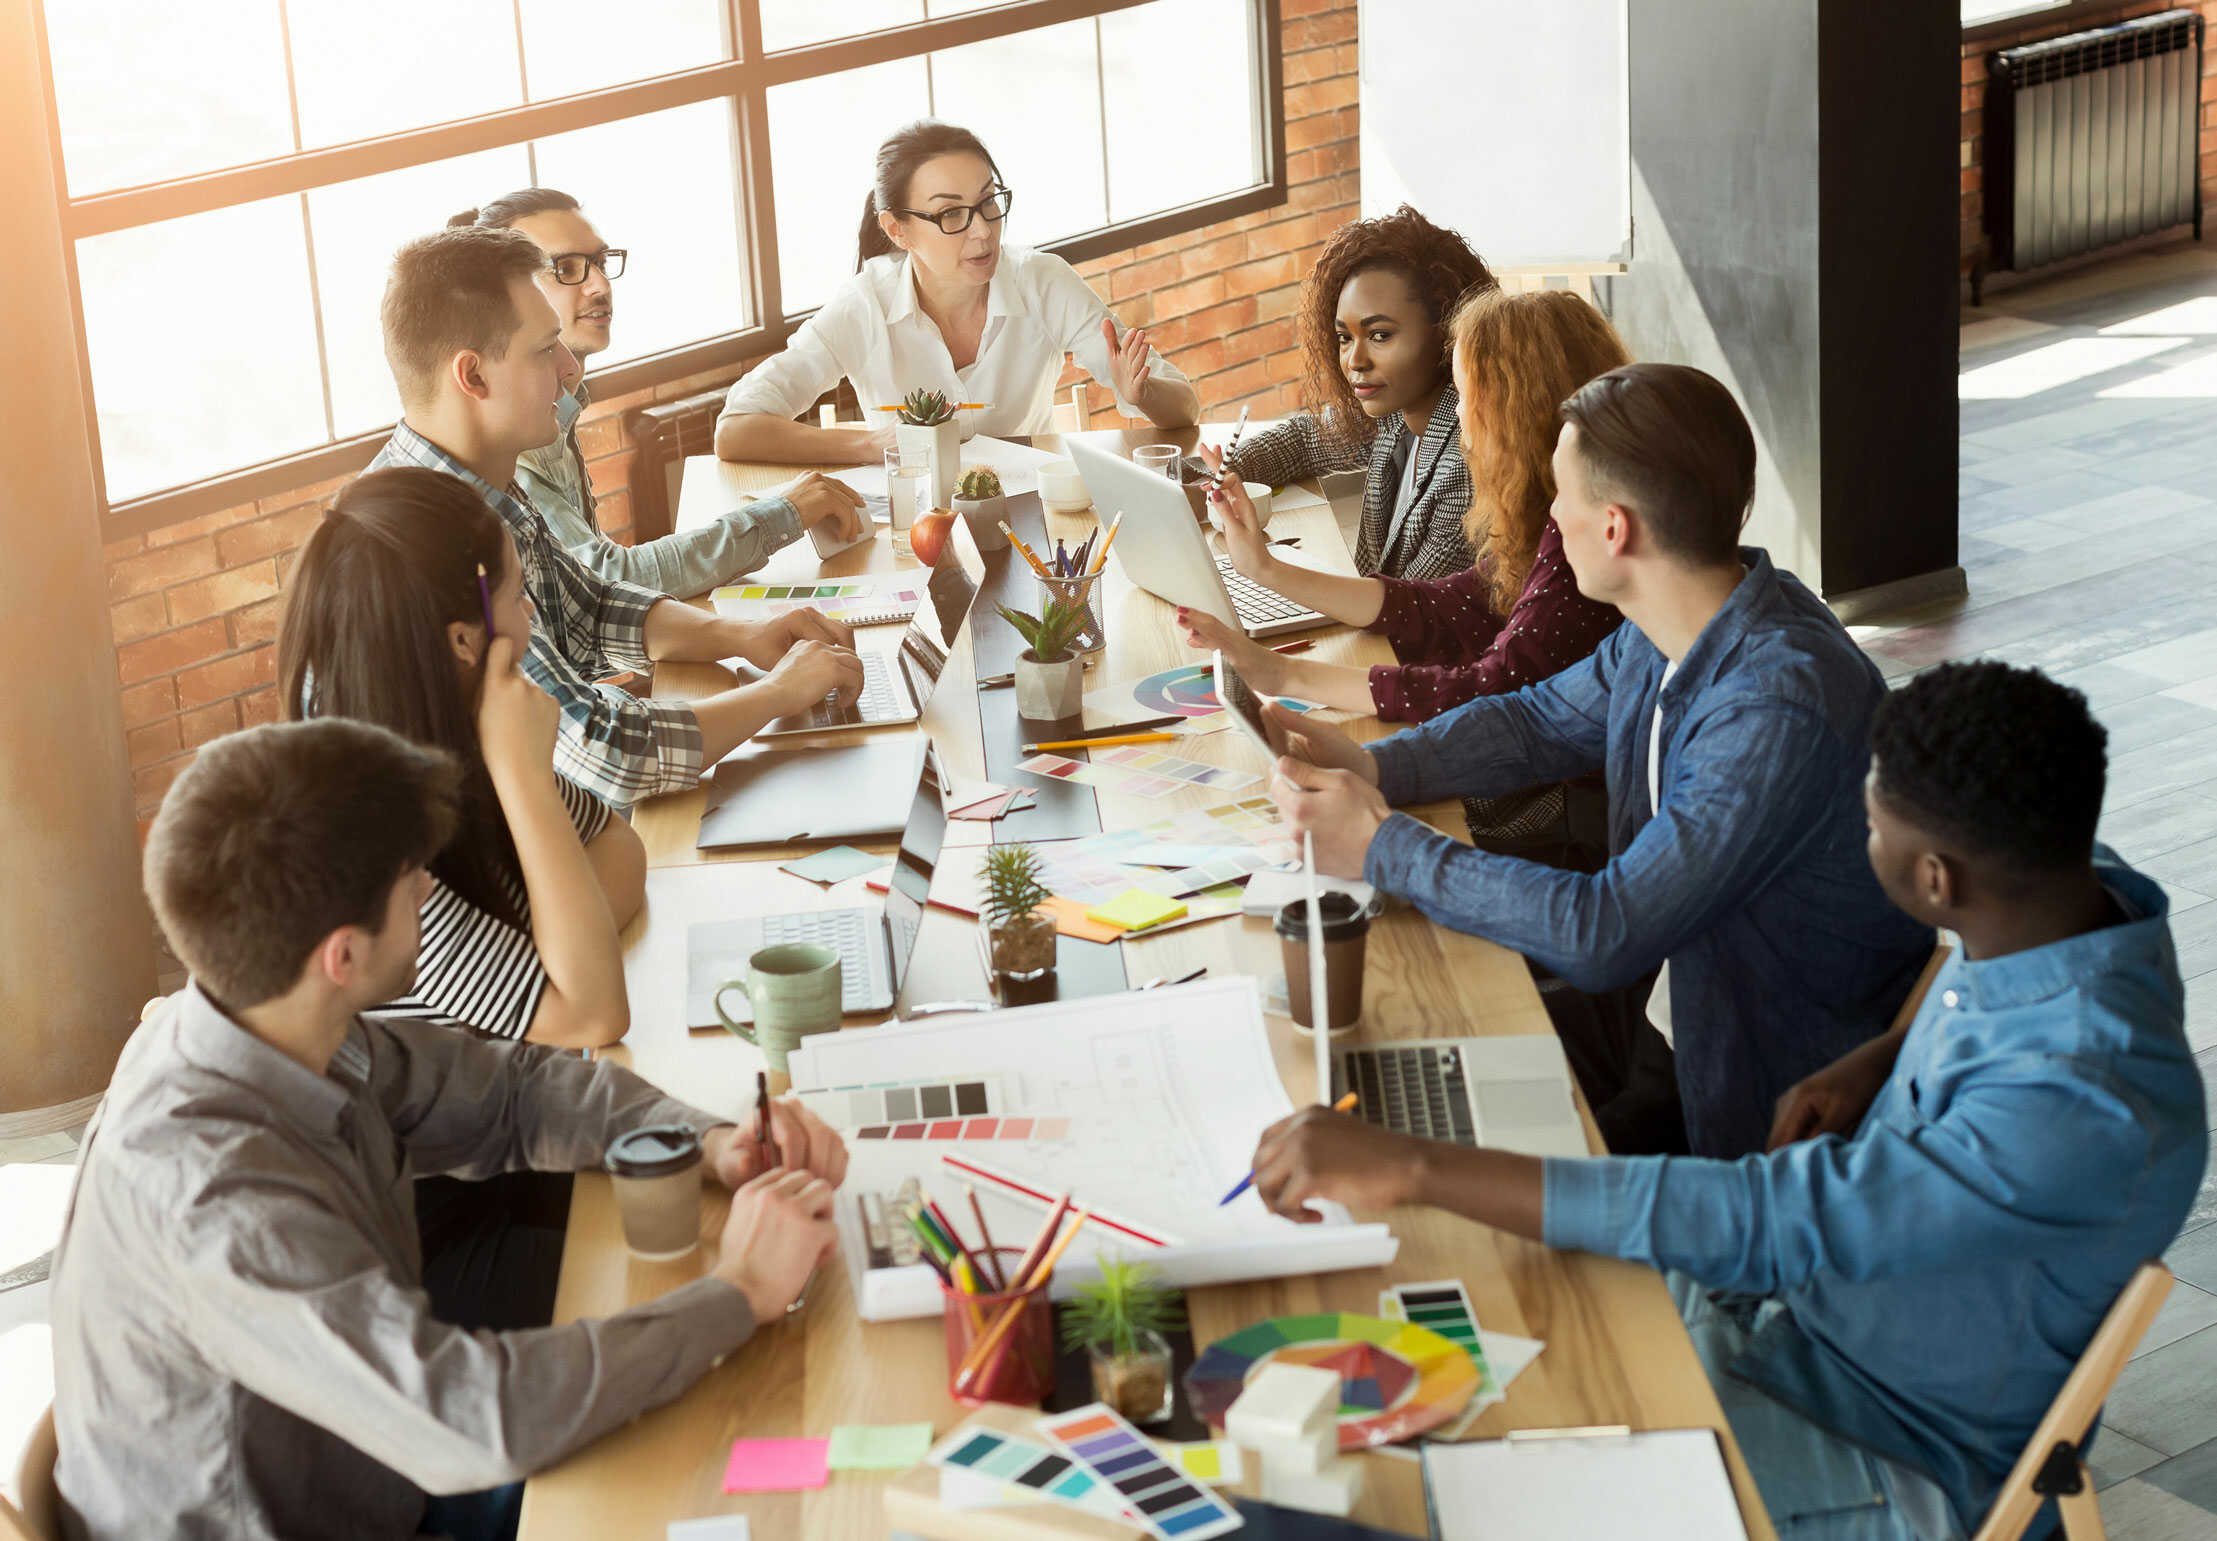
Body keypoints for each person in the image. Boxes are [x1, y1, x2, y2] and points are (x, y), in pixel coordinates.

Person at [1245, 660, 2206, 1541]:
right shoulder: (2077, 900)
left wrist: (1416, 1163)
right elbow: (1992, 989)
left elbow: (1765, 1218)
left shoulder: (2076, 1104)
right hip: (1787, 1329)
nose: (1858, 833)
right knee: (1409, 1371)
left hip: (1882, 1446)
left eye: (1868, 826)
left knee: (1401, 1493)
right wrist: (1879, 1056)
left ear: (1933, 880)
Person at [49, 718, 850, 1541]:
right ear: (343, 955)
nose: (430, 890)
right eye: (410, 881)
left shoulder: (265, 1018)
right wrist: (740, 1290)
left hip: (387, 1470)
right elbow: (474, 1419)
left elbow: (512, 1093)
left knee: (732, 1450)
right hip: (380, 1498)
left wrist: (709, 1142)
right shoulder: (218, 1202)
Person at [1261, 363, 1932, 1157]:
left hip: (1745, 1096)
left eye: (1560, 494)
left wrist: (1380, 845)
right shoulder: (1678, 615)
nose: (1549, 515)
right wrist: (1377, 768)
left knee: (1414, 1147)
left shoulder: (1776, 704)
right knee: (1384, 1068)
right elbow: (1536, 720)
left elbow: (1604, 928)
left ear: (1614, 528)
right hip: (1657, 1012)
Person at [280, 467, 644, 1332]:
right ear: (461, 638)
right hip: (431, 1257)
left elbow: (619, 845)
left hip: (512, 1144)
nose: (529, 622)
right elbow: (595, 1010)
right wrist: (522, 775)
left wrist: (557, 947)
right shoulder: (374, 844)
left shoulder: (440, 730)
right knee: (687, 1241)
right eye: (517, 600)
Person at [368, 224, 865, 808]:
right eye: (542, 350)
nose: (567, 370)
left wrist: (747, 635)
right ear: (473, 375)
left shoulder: (476, 481)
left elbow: (594, 606)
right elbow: (602, 751)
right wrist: (779, 693)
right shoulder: (432, 541)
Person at [1177, 287, 1627, 866]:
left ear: (1511, 407)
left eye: (1466, 396)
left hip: (1552, 828)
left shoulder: (1575, 546)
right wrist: (1265, 580)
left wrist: (1292, 677)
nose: (1458, 413)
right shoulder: (1541, 511)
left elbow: (1491, 686)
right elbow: (1450, 605)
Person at [453, 189, 869, 596]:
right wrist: (785, 513)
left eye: (599, 261)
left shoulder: (561, 407)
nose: (599, 285)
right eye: (565, 268)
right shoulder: (513, 436)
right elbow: (603, 581)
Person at [715, 119, 1199, 462]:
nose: (983, 232)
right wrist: (866, 445)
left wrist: (1146, 392)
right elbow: (735, 431)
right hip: (914, 527)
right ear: (898, 230)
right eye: (950, 214)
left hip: (1033, 519)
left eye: (989, 202)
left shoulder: (1043, 281)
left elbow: (1184, 409)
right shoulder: (864, 304)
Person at [1212, 205, 1495, 581]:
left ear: (1448, 331)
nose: (1354, 360)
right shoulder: (1396, 412)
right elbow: (1305, 440)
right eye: (1345, 337)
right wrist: (1220, 476)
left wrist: (1270, 572)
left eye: (1380, 335)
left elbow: (1412, 607)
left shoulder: (1467, 464)